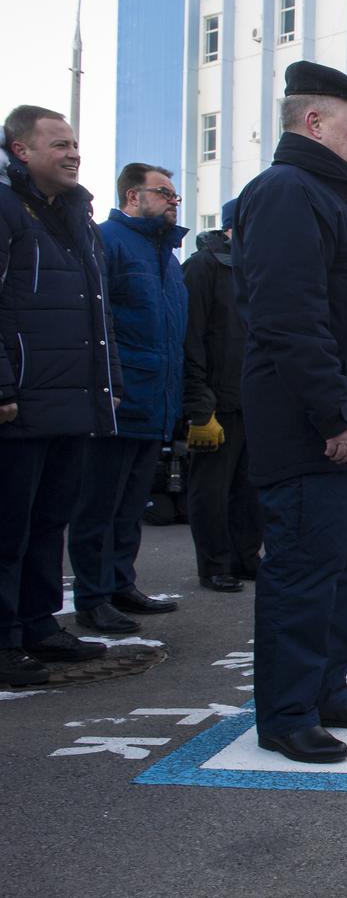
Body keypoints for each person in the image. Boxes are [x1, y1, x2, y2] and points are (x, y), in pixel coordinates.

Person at [235, 60, 347, 763]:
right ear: (313, 123)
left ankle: (326, 690)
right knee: (304, 573)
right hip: (315, 432)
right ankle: (286, 714)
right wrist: (335, 413)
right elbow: (291, 318)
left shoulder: (328, 197)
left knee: (339, 571)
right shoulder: (286, 192)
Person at [0, 105, 117, 685]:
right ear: (22, 150)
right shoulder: (4, 209)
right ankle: (4, 642)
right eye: (59, 144)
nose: (73, 153)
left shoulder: (77, 218)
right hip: (19, 402)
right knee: (7, 527)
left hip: (70, 402)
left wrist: (105, 390)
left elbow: (95, 316)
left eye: (75, 144)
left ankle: (38, 626)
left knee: (49, 521)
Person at [67, 161, 188, 633]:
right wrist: (110, 385)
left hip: (155, 399)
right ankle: (93, 596)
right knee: (99, 502)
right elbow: (100, 324)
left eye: (175, 196)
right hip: (120, 398)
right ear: (133, 197)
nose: (173, 202)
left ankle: (120, 583)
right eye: (164, 194)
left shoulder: (166, 256)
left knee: (130, 502)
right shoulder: (108, 242)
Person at [182, 197, 262, 593]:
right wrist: (199, 405)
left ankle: (245, 558)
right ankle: (214, 564)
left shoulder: (256, 267)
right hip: (216, 401)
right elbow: (190, 337)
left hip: (253, 399)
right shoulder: (203, 267)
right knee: (212, 490)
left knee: (249, 489)